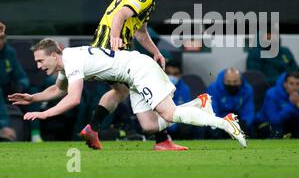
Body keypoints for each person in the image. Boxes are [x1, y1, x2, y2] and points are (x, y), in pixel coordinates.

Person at [7, 39, 247, 148]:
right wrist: (33, 98)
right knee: (151, 126)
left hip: (138, 68)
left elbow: (74, 98)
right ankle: (198, 105)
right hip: (130, 77)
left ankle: (225, 122)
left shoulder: (72, 60)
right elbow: (58, 89)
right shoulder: (66, 63)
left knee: (168, 113)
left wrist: (45, 114)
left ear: (54, 55)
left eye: (40, 61)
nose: (38, 66)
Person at [83, 0, 188, 151]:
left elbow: (140, 32)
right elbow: (120, 14)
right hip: (111, 47)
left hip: (103, 46)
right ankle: (162, 140)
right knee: (146, 82)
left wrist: (155, 52)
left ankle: (93, 127)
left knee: (121, 91)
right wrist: (115, 39)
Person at [255, 72, 299, 138]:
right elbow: (274, 120)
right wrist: (291, 105)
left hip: (291, 123)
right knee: (277, 132)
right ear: (285, 84)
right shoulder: (271, 94)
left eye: (298, 84)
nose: (295, 87)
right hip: (268, 123)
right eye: (291, 84)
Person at [207, 68, 255, 134]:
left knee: (250, 129)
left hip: (239, 120)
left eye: (235, 82)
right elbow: (213, 111)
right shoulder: (213, 89)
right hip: (220, 122)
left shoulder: (247, 90)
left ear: (240, 81)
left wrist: (244, 123)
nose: (232, 84)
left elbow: (248, 111)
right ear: (223, 80)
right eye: (228, 82)